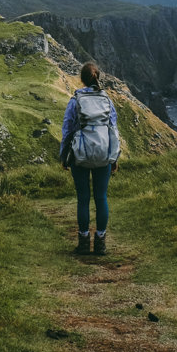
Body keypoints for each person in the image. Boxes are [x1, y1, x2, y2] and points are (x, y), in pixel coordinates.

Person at [61, 61, 120, 255]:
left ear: (82, 80)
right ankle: (101, 243)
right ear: (98, 77)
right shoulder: (107, 100)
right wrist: (114, 158)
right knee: (101, 197)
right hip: (103, 153)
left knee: (83, 198)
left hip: (80, 154)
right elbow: (113, 130)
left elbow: (68, 129)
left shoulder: (75, 100)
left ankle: (84, 242)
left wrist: (64, 156)